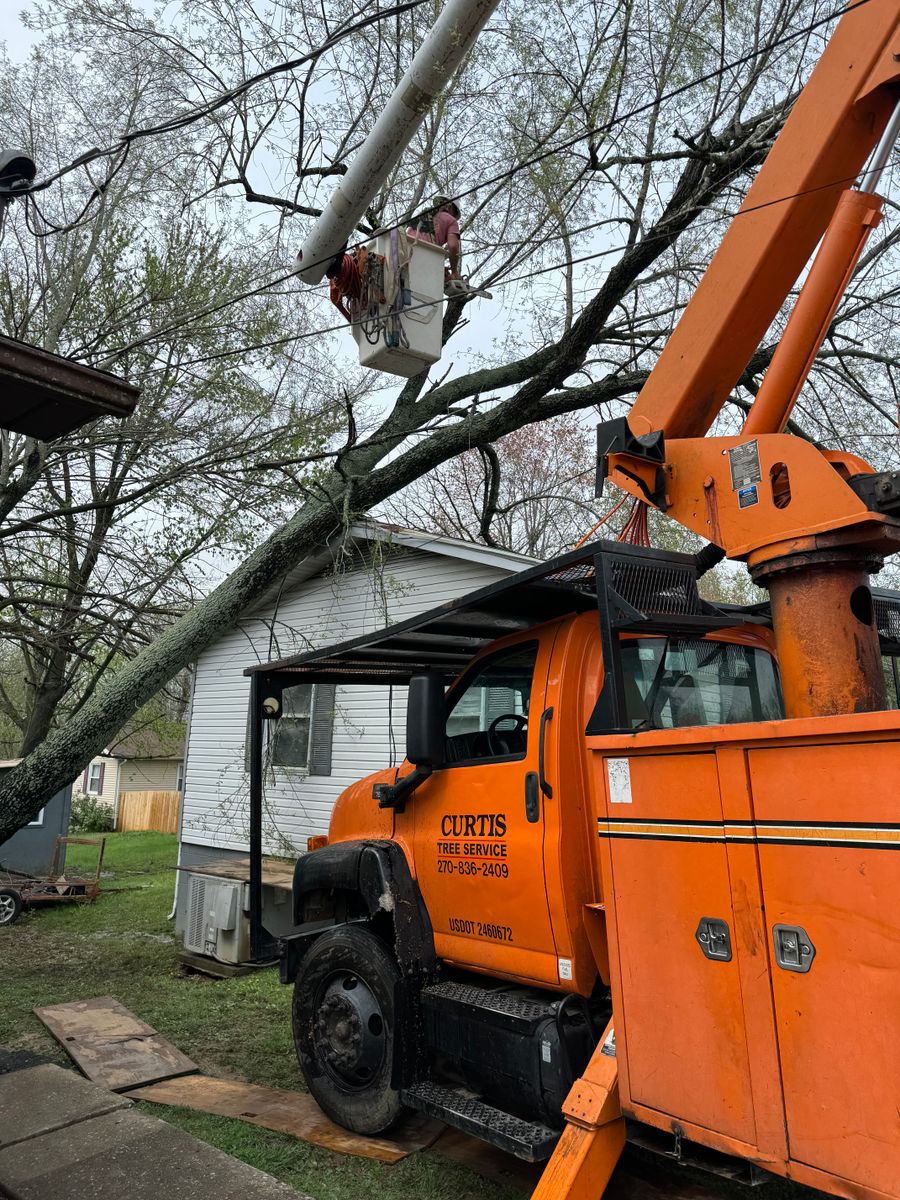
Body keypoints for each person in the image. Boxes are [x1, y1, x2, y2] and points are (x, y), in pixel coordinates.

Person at [408, 194, 462, 282]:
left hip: (405, 249)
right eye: (455, 214)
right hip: (424, 252)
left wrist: (439, 268)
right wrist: (454, 272)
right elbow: (453, 246)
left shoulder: (424, 215)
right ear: (452, 208)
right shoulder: (451, 220)